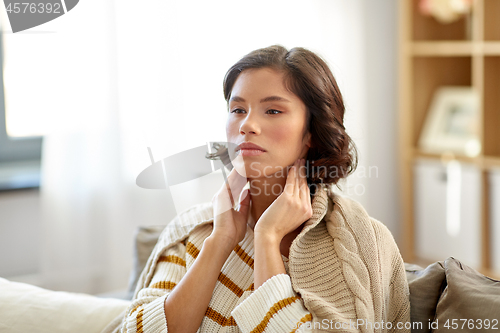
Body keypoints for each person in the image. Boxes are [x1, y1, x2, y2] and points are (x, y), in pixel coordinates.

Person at [103, 45, 410, 333]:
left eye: (273, 111)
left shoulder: (360, 242)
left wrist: (267, 239)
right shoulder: (190, 230)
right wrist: (220, 241)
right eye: (237, 109)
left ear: (312, 133)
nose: (247, 125)